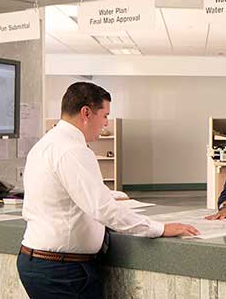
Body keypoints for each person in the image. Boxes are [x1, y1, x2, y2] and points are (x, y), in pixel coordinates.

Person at [18, 82, 199, 298]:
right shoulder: (72, 150)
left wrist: (112, 195)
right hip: (61, 272)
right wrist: (158, 229)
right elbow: (103, 210)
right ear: (86, 112)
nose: (105, 124)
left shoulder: (47, 144)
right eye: (104, 115)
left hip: (44, 264)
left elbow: (67, 192)